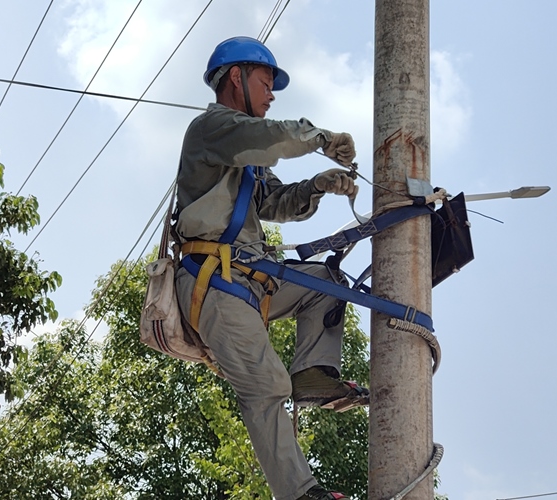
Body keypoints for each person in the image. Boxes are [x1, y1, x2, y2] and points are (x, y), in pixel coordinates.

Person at [173, 36, 366, 500]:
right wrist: (320, 138)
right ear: (234, 78)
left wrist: (316, 186)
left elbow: (275, 203)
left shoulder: (246, 160)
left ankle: (313, 374)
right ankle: (299, 494)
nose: (271, 94)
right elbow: (270, 138)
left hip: (249, 278)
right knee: (266, 386)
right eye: (265, 82)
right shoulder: (212, 128)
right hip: (212, 280)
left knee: (327, 283)